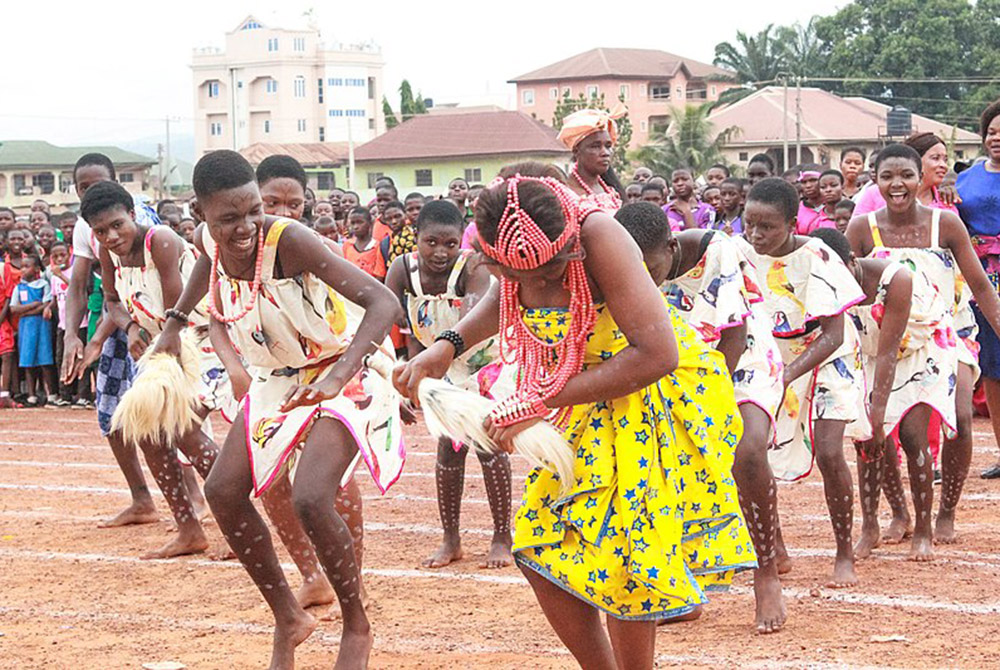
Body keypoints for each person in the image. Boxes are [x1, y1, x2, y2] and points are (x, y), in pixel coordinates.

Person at [394, 171, 754, 666]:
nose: (540, 283)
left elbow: (656, 355)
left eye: (552, 270)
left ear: (570, 244)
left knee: (631, 556)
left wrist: (542, 400)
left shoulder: (599, 234)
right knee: (540, 549)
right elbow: (511, 289)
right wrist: (446, 345)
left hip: (643, 398)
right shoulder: (518, 269)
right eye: (522, 274)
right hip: (574, 400)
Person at [151, 149, 404, 670]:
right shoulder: (208, 240)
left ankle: (356, 622)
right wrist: (174, 324)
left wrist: (338, 375)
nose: (246, 226)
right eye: (229, 218)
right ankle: (289, 615)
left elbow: (385, 304)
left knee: (312, 495)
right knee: (222, 492)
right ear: (202, 216)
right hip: (278, 379)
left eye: (252, 211)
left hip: (346, 366)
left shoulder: (291, 241)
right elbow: (205, 262)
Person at [617, 202, 786, 633]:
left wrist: (708, 410)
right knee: (662, 464)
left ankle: (765, 574)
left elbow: (733, 334)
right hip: (676, 368)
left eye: (647, 266)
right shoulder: (620, 263)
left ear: (671, 247)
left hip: (741, 357)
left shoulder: (718, 250)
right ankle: (684, 587)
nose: (640, 275)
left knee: (745, 449)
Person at [846, 143, 1000, 544]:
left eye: (906, 176)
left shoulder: (945, 225)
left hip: (946, 330)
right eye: (887, 177)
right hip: (882, 340)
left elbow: (981, 285)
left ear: (919, 179)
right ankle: (895, 514)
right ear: (874, 181)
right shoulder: (862, 229)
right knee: (880, 428)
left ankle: (946, 510)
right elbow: (844, 287)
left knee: (961, 417)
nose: (897, 185)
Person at [80, 180, 229, 558]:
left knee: (185, 430)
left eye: (117, 225)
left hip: (201, 342)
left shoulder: (160, 240)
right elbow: (112, 301)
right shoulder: (107, 252)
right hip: (158, 348)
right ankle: (189, 531)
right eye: (101, 231)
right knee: (146, 430)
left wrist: (155, 339)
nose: (111, 236)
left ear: (132, 214)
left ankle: (235, 527)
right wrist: (129, 328)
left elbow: (175, 309)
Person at [740, 177, 868, 588]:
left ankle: (844, 552)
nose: (756, 235)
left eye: (767, 227)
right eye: (749, 224)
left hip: (827, 356)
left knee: (830, 451)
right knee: (753, 451)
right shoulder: (739, 255)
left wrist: (788, 376)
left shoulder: (818, 256)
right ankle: (773, 545)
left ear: (793, 223)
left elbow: (834, 334)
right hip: (772, 359)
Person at [385, 199, 513, 569]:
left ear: (462, 241)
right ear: (416, 237)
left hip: (480, 365)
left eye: (450, 244)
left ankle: (502, 536)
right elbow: (385, 324)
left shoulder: (471, 268)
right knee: (448, 450)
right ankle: (451, 539)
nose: (440, 253)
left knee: (488, 446)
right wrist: (398, 380)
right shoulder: (401, 270)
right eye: (431, 243)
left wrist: (431, 371)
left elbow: (471, 326)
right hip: (437, 367)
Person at [813, 228, 955, 562]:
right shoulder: (823, 282)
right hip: (871, 352)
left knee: (910, 433)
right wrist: (872, 423)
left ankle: (923, 530)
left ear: (852, 261)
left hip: (922, 347)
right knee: (866, 438)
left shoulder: (896, 278)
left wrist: (878, 415)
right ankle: (871, 527)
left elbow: (891, 351)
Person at [61, 153, 161, 528]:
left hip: (149, 320)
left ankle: (196, 500)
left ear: (118, 186)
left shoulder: (136, 218)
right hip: (117, 319)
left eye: (98, 185)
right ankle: (141, 499)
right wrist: (73, 334)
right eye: (83, 188)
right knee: (111, 413)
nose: (91, 193)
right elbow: (82, 284)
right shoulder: (86, 227)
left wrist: (97, 340)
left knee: (156, 416)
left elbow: (128, 290)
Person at [956, 100, 1000, 480]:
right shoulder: (966, 178)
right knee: (993, 364)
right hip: (983, 280)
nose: (996, 138)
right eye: (991, 131)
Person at [559, 104, 627, 212]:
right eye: (595, 146)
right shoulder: (566, 192)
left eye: (608, 146)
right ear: (576, 150)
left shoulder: (611, 191)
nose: (605, 153)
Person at [10, 254, 56, 406]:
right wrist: (32, 306)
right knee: (27, 360)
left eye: (26, 266)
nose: (23, 269)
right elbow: (14, 308)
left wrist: (26, 311)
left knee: (45, 359)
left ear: (36, 269)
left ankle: (51, 394)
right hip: (26, 328)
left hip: (42, 326)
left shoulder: (43, 284)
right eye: (22, 266)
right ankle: (31, 395)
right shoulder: (19, 287)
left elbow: (47, 304)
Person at [48, 241, 76, 406]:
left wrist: (60, 275)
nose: (59, 259)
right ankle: (64, 395)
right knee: (60, 358)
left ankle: (81, 394)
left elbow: (77, 289)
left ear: (69, 255)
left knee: (76, 359)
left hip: (78, 324)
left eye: (62, 255)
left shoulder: (73, 272)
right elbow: (55, 298)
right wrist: (48, 308)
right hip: (62, 324)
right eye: (55, 256)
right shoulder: (53, 277)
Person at [344, 206, 387, 280]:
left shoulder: (377, 246)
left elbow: (380, 275)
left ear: (370, 224)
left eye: (360, 222)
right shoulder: (348, 245)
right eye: (353, 223)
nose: (355, 227)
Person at [378, 200, 416, 265]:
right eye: (389, 219)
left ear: (405, 215)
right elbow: (381, 272)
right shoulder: (385, 244)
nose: (394, 221)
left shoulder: (415, 235)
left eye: (398, 216)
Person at [795, 167, 825, 233]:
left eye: (813, 180)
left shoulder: (835, 206)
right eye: (804, 182)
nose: (808, 186)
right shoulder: (797, 209)